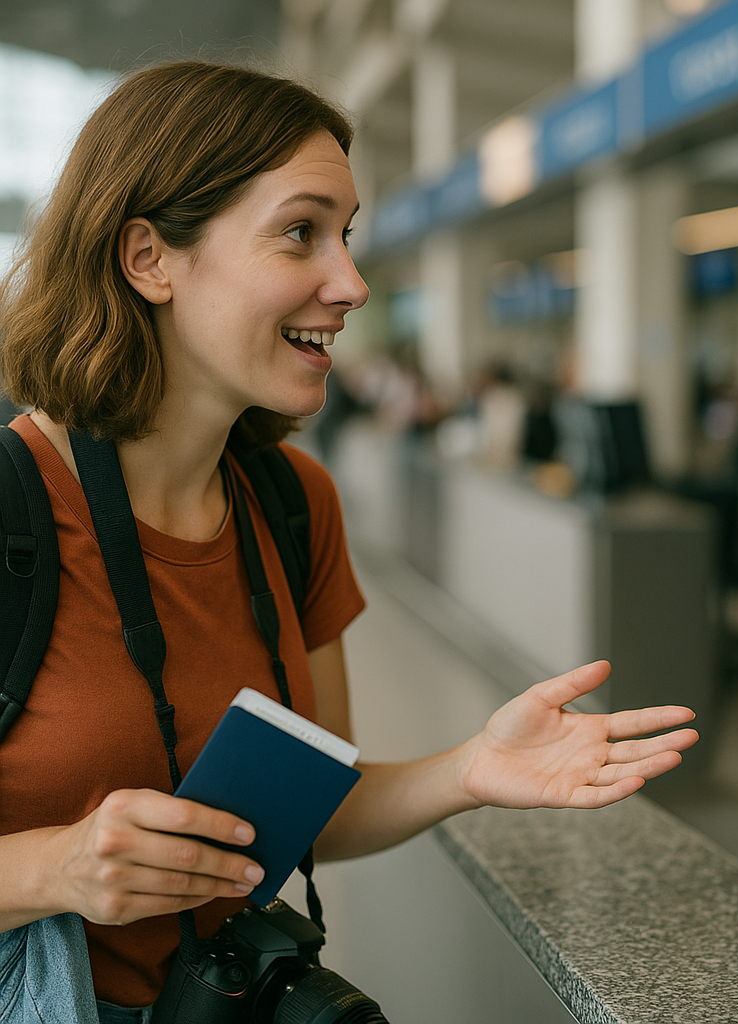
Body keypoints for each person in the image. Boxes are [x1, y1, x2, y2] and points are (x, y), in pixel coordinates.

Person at [0, 60, 699, 1020]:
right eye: (301, 232)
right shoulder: (12, 509)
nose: (353, 283)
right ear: (149, 259)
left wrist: (468, 769)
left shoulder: (293, 504)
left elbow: (310, 810)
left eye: (347, 235)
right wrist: (54, 867)